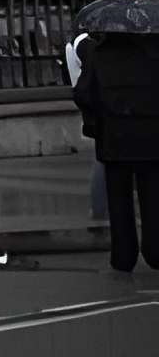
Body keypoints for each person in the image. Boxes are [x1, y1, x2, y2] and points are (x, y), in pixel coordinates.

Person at [72, 15, 159, 275]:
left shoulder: (98, 55)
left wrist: (99, 117)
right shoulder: (153, 53)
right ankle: (155, 251)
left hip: (113, 138)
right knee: (153, 197)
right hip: (150, 137)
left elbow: (83, 93)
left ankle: (123, 256)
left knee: (119, 200)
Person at [65, 26, 111, 225]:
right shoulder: (84, 44)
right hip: (102, 108)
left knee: (104, 159)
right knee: (104, 159)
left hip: (96, 107)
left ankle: (100, 208)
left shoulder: (80, 43)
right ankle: (100, 207)